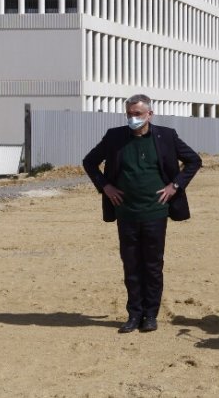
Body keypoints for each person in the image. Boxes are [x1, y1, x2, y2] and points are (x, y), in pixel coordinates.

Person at [82, 95, 202, 334]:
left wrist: (174, 186)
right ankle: (134, 314)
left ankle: (150, 315)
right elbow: (89, 162)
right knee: (131, 265)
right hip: (126, 212)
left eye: (137, 114)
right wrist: (105, 187)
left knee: (152, 264)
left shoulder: (166, 137)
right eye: (129, 114)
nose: (133, 118)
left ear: (149, 114)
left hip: (155, 211)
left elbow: (193, 161)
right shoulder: (114, 137)